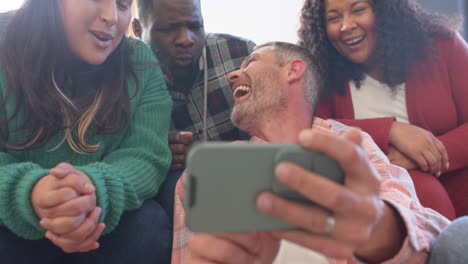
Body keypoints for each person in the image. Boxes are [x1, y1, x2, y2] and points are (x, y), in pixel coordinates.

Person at [171, 42, 450, 264]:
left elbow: (433, 234)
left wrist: (378, 231)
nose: (231, 76)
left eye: (251, 62)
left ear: (292, 70)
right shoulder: (201, 177)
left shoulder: (352, 147)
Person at [0, 0, 172, 263]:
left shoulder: (139, 60)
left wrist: (91, 192)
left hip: (102, 221)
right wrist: (31, 191)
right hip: (11, 219)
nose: (111, 17)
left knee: (148, 225)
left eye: (123, 4)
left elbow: (146, 154)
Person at [298, 0, 468, 218]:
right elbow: (315, 131)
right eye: (333, 18)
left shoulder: (443, 45)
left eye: (358, 10)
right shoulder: (323, 72)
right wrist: (390, 131)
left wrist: (424, 156)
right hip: (384, 212)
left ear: (384, 11)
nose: (346, 25)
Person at [132, 0, 255, 218]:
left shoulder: (242, 55)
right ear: (139, 29)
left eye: (195, 27)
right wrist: (154, 150)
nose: (186, 39)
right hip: (178, 196)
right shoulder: (128, 80)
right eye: (169, 29)